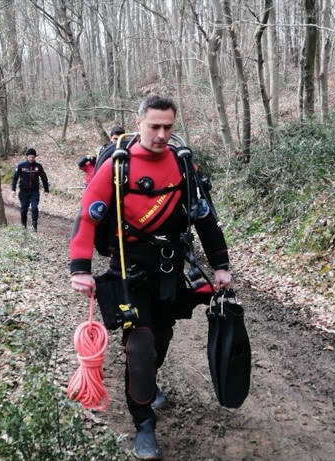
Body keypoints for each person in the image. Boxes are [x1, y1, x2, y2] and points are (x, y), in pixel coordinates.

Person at [69, 96, 231, 460]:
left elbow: (205, 217)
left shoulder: (183, 164)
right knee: (139, 345)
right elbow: (87, 218)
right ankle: (143, 423)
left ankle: (147, 381)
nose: (161, 134)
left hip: (169, 268)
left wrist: (220, 265)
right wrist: (79, 269)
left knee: (161, 333)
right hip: (128, 269)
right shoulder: (116, 166)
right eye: (154, 126)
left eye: (167, 127)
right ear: (138, 123)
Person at [11, 148, 49, 232]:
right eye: (30, 157)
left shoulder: (38, 166)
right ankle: (23, 226)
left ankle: (34, 225)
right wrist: (13, 189)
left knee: (34, 207)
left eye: (33, 157)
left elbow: (44, 178)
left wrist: (46, 190)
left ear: (35, 157)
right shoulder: (21, 166)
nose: (31, 159)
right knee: (24, 209)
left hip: (34, 191)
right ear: (27, 157)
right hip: (23, 192)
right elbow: (14, 178)